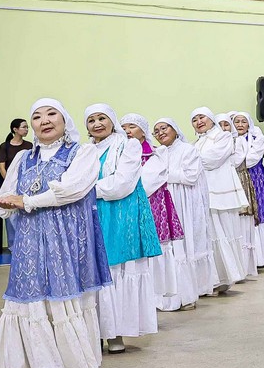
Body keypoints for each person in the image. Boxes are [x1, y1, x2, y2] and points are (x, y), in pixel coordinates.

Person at [0, 98, 111, 368]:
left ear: (63, 119)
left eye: (51, 114)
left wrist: (26, 201)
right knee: (31, 302)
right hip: (29, 242)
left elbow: (71, 189)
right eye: (37, 116)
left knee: (59, 299)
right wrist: (4, 204)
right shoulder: (22, 159)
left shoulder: (83, 152)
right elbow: (6, 196)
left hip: (65, 240)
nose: (44, 120)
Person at [84, 104, 162, 353]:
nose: (97, 124)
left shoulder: (128, 145)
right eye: (91, 120)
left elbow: (123, 183)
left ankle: (116, 332)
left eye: (102, 118)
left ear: (112, 121)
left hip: (121, 214)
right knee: (94, 271)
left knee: (117, 270)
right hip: (92, 214)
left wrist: (84, 191)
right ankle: (95, 330)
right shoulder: (85, 151)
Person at [120, 113, 185, 311]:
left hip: (151, 205)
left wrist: (124, 188)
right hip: (127, 206)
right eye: (123, 128)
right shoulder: (119, 154)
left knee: (153, 251)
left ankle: (156, 299)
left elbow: (148, 183)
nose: (127, 131)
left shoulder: (155, 154)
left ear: (143, 131)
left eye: (131, 127)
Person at [153, 118, 215, 309]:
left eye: (164, 128)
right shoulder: (158, 153)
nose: (161, 132)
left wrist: (162, 174)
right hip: (164, 205)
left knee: (184, 247)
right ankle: (168, 296)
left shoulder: (188, 150)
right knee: (169, 249)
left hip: (184, 203)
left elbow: (190, 176)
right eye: (156, 131)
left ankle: (187, 295)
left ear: (175, 129)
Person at [191, 107, 248, 291]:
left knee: (223, 232)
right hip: (204, 193)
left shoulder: (222, 136)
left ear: (210, 119)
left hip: (220, 192)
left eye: (202, 117)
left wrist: (192, 159)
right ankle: (212, 279)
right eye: (194, 119)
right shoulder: (197, 142)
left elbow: (210, 160)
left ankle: (226, 277)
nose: (199, 121)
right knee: (210, 235)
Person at [234, 112, 264, 269]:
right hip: (237, 177)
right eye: (236, 122)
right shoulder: (231, 139)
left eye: (243, 121)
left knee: (257, 212)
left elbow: (251, 159)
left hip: (254, 176)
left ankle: (259, 258)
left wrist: (235, 160)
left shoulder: (257, 139)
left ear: (249, 124)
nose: (239, 124)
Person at [220, 113, 260, 277]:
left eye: (226, 125)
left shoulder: (239, 142)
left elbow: (236, 161)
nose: (223, 128)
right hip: (222, 183)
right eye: (220, 125)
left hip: (239, 180)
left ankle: (244, 267)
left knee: (243, 223)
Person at [0, 118, 32, 247]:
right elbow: (1, 166)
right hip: (9, 184)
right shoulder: (5, 146)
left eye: (27, 127)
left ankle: (25, 244)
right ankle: (13, 246)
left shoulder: (29, 146)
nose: (26, 129)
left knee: (23, 212)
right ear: (15, 129)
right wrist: (10, 183)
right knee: (10, 214)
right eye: (24, 127)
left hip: (24, 184)